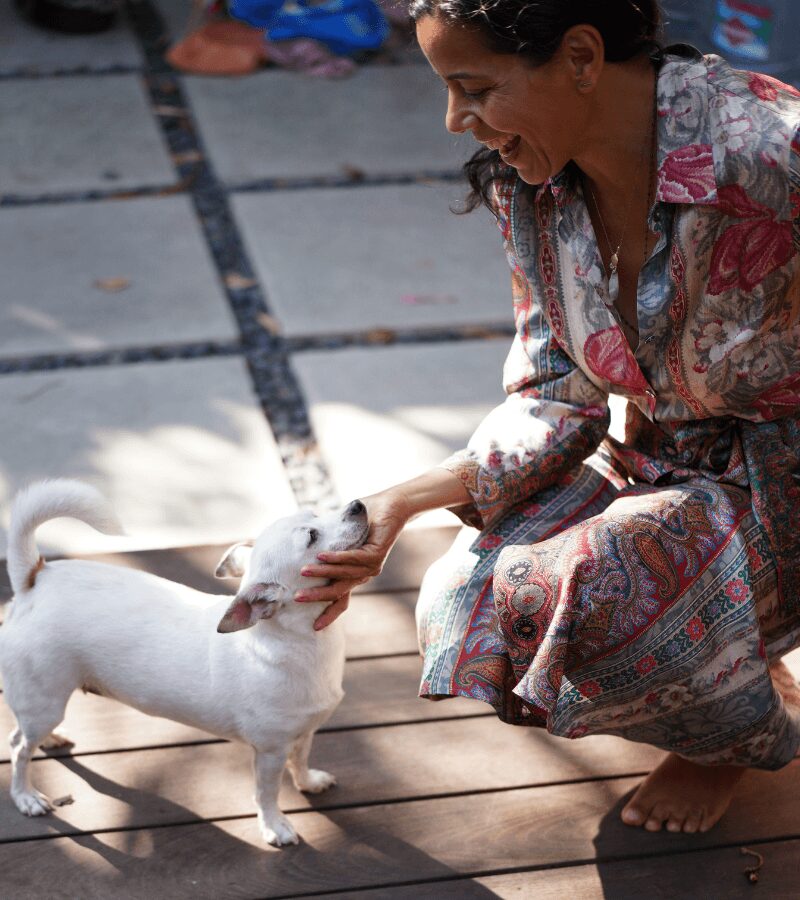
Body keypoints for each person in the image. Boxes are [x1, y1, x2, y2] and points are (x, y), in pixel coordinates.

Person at [295, 0, 800, 835]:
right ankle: (739, 675)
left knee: (598, 580)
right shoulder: (534, 187)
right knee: (470, 597)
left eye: (474, 88)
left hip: (785, 485)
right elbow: (554, 394)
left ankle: (725, 741)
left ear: (579, 55)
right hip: (667, 464)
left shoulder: (770, 150)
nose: (455, 121)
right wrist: (394, 507)